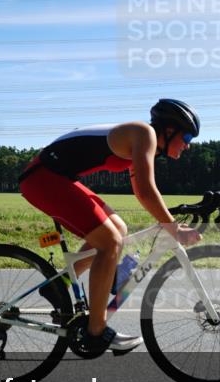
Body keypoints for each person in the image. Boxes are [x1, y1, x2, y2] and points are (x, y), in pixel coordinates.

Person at [18, 99, 203, 354]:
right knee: (110, 242)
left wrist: (169, 222)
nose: (188, 144)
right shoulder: (145, 133)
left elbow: (141, 190)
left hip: (53, 176)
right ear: (169, 129)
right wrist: (174, 228)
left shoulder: (140, 139)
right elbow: (147, 192)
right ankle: (96, 330)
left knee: (119, 228)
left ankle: (57, 285)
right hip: (44, 178)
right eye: (188, 135)